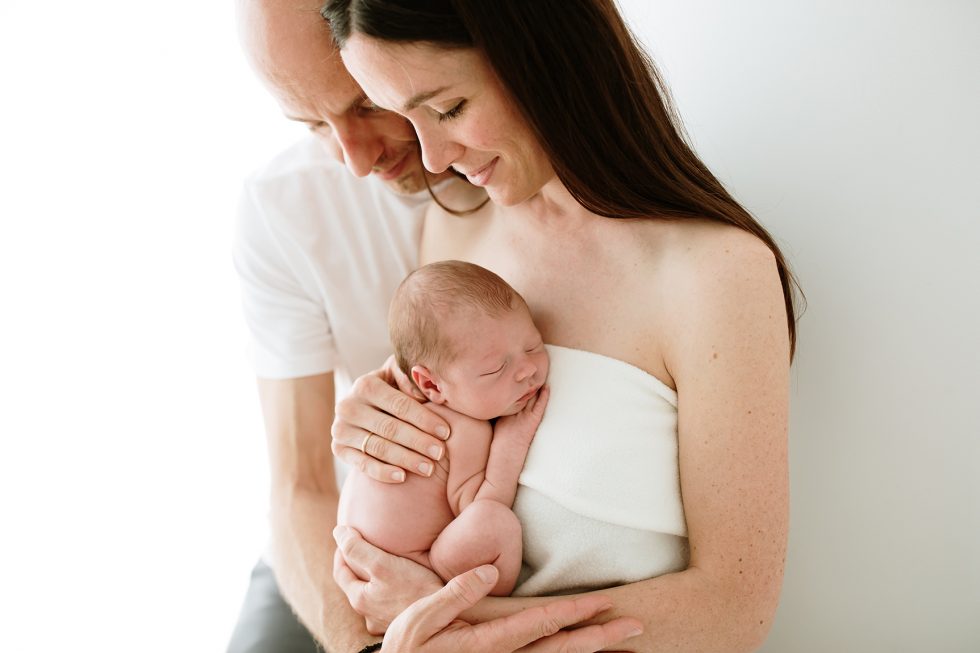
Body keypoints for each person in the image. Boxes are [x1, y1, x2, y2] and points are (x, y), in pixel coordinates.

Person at [322, 0, 801, 651]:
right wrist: (369, 423)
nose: (432, 158)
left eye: (449, 109)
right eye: (408, 118)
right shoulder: (455, 229)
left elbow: (732, 608)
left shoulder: (715, 276)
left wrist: (452, 617)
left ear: (542, 53)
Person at [229, 2, 642, 651]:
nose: (355, 160)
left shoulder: (511, 170)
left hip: (461, 554)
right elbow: (299, 481)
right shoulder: (284, 207)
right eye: (312, 125)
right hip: (345, 543)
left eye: (366, 104)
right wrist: (365, 640)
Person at [340, 260, 549, 598]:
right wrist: (511, 443)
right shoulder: (462, 430)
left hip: (359, 563)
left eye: (533, 346)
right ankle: (479, 609)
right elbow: (481, 506)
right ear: (431, 385)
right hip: (419, 566)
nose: (526, 369)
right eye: (496, 368)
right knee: (495, 522)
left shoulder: (406, 404)